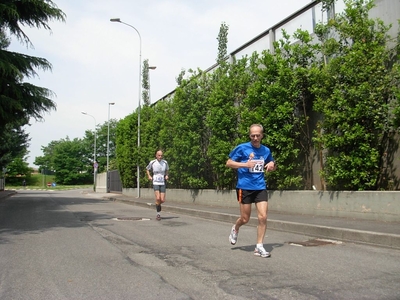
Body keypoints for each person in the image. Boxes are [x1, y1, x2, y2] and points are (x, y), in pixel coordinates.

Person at [226, 124, 276, 258]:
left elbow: (271, 163)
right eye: (253, 135)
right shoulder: (242, 148)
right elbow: (229, 163)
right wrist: (245, 164)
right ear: (250, 136)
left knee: (263, 216)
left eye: (258, 135)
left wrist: (272, 165)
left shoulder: (266, 150)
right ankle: (235, 228)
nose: (255, 138)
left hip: (260, 187)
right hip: (244, 186)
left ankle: (259, 246)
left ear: (262, 135)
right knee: (245, 218)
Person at [146, 150, 169, 220]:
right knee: (158, 198)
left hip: (162, 182)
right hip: (155, 182)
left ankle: (157, 204)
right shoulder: (152, 162)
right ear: (156, 155)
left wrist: (167, 175)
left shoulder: (165, 162)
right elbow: (147, 169)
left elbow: (167, 170)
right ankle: (158, 214)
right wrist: (149, 176)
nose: (160, 157)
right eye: (159, 155)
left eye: (161, 155)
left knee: (162, 200)